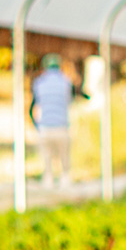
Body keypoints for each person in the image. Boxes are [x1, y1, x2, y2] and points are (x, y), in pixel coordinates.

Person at [30, 53, 74, 188]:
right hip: (62, 126)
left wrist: (35, 124)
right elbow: (69, 101)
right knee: (64, 159)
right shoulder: (66, 82)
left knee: (47, 160)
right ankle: (65, 180)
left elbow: (35, 104)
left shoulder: (39, 83)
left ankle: (48, 180)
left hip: (45, 127)